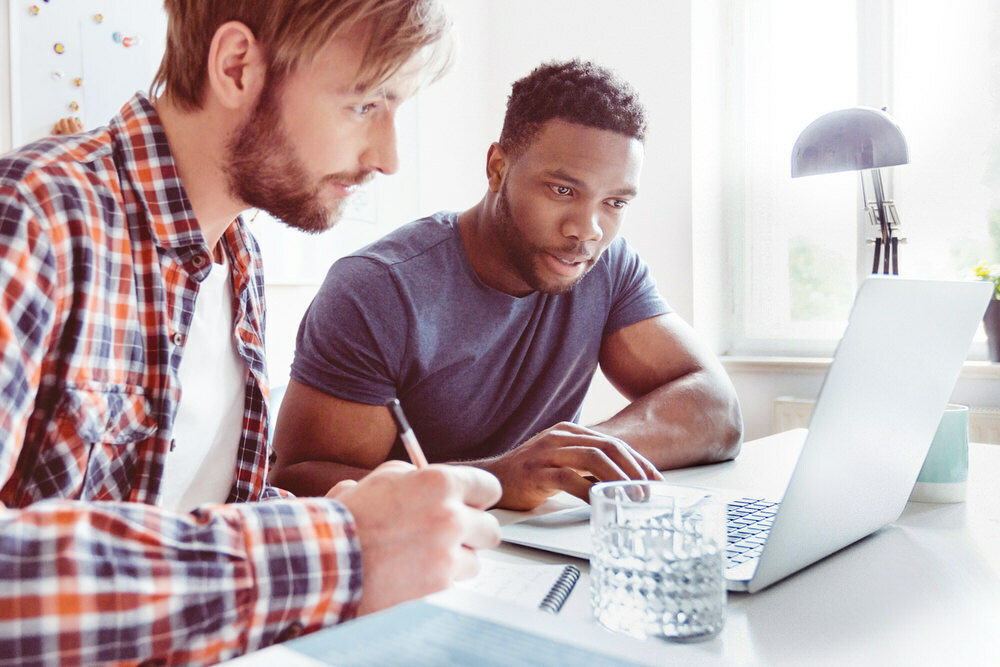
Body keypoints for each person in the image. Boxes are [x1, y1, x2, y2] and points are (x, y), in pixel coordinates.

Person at [0, 1, 502, 665]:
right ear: (236, 67)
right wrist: (339, 547)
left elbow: (184, 507)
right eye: (365, 105)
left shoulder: (240, 259)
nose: (389, 159)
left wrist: (346, 517)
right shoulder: (35, 212)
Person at [270, 59, 744, 511]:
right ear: (498, 167)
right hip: (419, 561)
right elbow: (297, 477)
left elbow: (717, 410)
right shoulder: (378, 289)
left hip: (545, 547)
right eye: (563, 190)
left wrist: (574, 457)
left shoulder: (606, 265)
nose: (588, 229)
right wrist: (495, 480)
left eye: (615, 202)